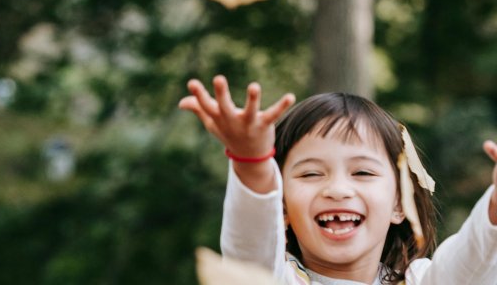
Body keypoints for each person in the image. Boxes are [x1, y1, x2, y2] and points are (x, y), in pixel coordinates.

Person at [179, 74, 497, 284]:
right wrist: (252, 162)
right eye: (311, 173)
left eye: (362, 172)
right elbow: (250, 247)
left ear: (400, 204)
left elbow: (472, 261)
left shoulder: (419, 280)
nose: (337, 189)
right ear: (283, 207)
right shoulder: (276, 278)